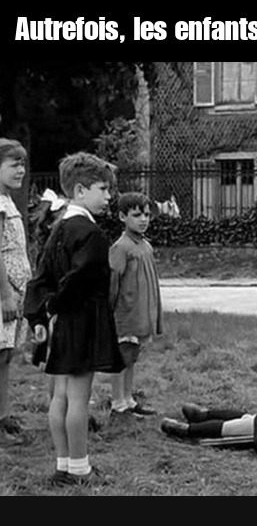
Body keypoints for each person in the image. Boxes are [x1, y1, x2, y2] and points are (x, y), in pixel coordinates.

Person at [24, 152, 125, 486]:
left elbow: (40, 279)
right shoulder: (90, 233)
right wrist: (55, 305)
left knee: (60, 396)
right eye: (103, 189)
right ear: (80, 190)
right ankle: (80, 469)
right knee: (78, 398)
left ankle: (63, 465)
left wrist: (41, 315)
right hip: (81, 320)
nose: (109, 196)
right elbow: (79, 279)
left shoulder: (58, 228)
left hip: (60, 324)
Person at [109, 192, 162, 418]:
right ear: (123, 217)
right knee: (121, 357)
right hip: (125, 313)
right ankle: (117, 403)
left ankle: (129, 399)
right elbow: (113, 282)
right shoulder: (121, 247)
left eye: (147, 215)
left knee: (131, 357)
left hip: (140, 312)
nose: (143, 220)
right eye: (137, 215)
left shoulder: (145, 246)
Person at [0, 138, 33, 447]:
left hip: (16, 288)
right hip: (4, 292)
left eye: (22, 164)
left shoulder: (7, 200)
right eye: (14, 164)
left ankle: (4, 415)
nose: (20, 170)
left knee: (6, 354)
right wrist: (5, 296)